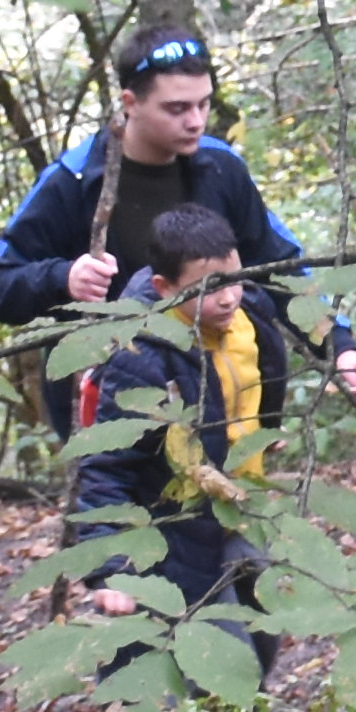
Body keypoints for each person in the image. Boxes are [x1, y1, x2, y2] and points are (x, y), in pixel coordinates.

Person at [0, 28, 356, 407]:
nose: (195, 120)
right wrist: (62, 278)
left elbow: (280, 267)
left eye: (203, 104)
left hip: (220, 394)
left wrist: (340, 345)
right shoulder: (74, 180)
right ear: (130, 103)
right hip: (113, 403)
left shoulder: (221, 167)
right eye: (177, 108)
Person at [69, 204, 278, 625]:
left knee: (266, 631)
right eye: (209, 287)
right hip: (178, 532)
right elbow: (109, 465)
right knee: (217, 668)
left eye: (234, 278)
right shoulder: (142, 355)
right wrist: (110, 566)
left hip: (242, 512)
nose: (227, 296)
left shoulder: (248, 315)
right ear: (165, 288)